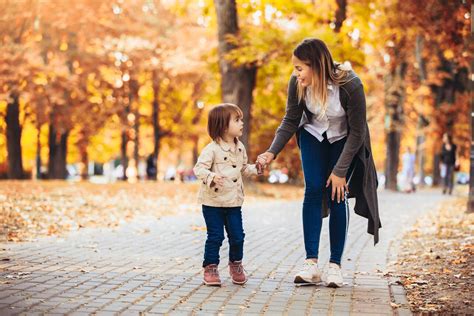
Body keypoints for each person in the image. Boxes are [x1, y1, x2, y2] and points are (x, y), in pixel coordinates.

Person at [257, 38, 380, 288]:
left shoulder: (351, 85)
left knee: (337, 193)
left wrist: (340, 170)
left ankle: (335, 265)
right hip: (313, 133)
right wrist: (271, 152)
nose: (296, 74)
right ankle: (311, 264)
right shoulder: (298, 84)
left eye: (300, 68)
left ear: (316, 66)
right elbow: (291, 119)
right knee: (313, 189)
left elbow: (357, 132)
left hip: (344, 138)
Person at [193, 103, 262, 286]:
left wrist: (256, 169)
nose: (242, 123)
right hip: (213, 202)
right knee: (215, 236)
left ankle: (236, 264)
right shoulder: (212, 149)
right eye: (237, 120)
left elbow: (244, 169)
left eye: (241, 119)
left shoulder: (240, 148)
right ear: (224, 126)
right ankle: (210, 267)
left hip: (233, 202)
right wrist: (211, 176)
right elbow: (199, 168)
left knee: (237, 235)